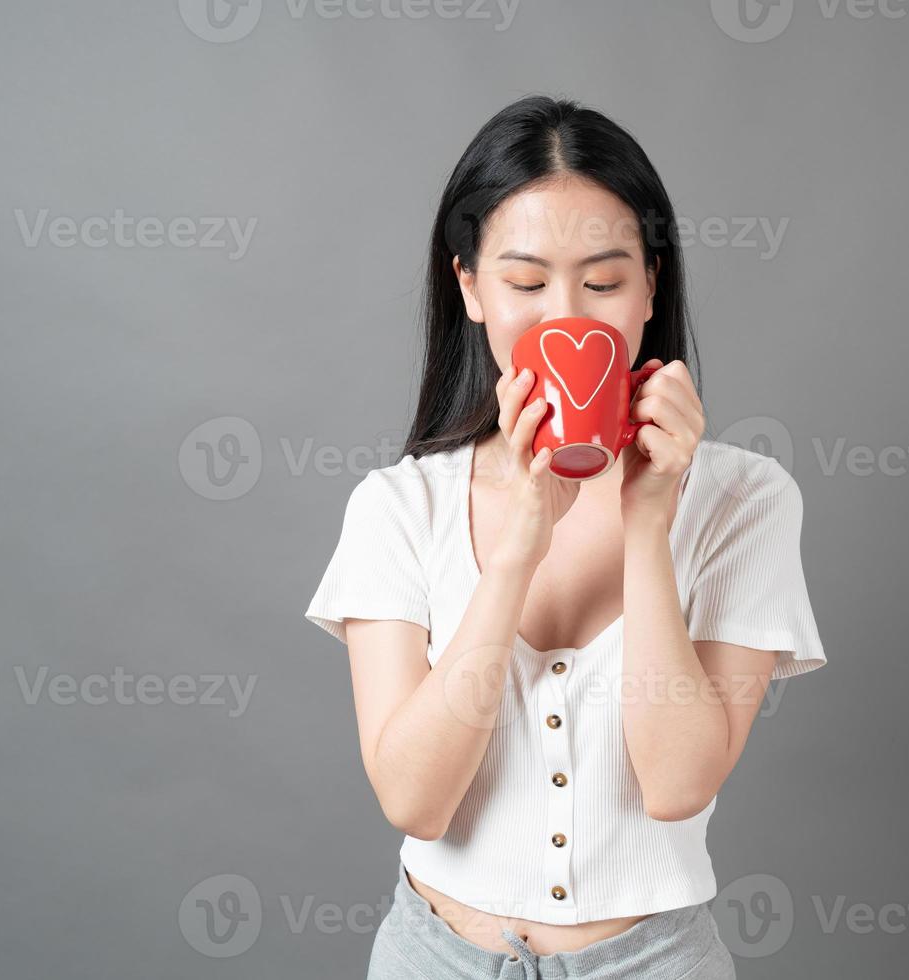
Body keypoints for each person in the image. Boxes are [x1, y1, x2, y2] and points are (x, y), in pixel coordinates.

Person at [305, 94, 827, 979]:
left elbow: (678, 786)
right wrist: (516, 552)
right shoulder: (399, 507)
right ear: (469, 286)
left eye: (603, 280)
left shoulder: (745, 498)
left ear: (652, 283)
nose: (566, 317)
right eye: (525, 282)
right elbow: (414, 798)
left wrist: (648, 523)